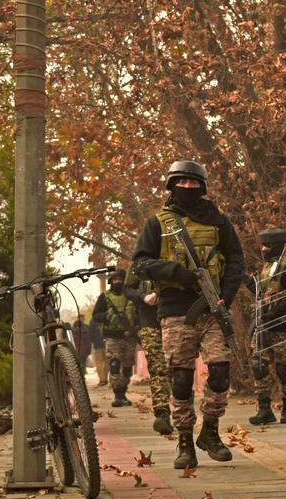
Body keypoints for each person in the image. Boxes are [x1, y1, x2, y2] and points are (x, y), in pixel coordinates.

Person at [133, 160, 245, 470]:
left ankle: (210, 430)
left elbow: (236, 260)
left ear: (203, 187)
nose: (187, 187)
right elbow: (140, 264)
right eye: (180, 182)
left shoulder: (219, 222)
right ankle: (185, 440)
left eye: (193, 183)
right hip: (175, 309)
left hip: (213, 308)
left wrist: (227, 295)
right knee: (180, 378)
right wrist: (177, 273)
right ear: (171, 186)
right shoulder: (158, 223)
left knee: (221, 370)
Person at [248, 228, 286, 426]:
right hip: (264, 326)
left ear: (278, 246)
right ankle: (264, 409)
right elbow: (262, 293)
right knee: (259, 365)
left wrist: (273, 313)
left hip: (282, 326)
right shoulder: (267, 267)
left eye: (267, 246)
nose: (263, 249)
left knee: (282, 368)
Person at [123, 263, 173, 435]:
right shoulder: (139, 261)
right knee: (158, 367)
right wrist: (144, 297)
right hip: (149, 321)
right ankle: (162, 414)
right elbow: (127, 289)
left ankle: (184, 416)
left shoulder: (178, 250)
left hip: (176, 317)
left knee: (179, 368)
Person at [92, 269, 139, 407]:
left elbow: (139, 314)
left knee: (127, 368)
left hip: (129, 337)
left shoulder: (131, 296)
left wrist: (135, 329)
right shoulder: (104, 297)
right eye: (115, 279)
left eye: (120, 279)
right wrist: (107, 316)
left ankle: (123, 392)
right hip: (112, 337)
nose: (118, 282)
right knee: (114, 363)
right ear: (111, 281)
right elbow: (96, 316)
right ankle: (117, 395)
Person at [89, 314, 108, 385]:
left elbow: (90, 332)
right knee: (107, 362)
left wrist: (93, 341)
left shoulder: (93, 320)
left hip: (97, 345)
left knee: (99, 363)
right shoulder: (106, 317)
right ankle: (105, 378)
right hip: (106, 343)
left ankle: (102, 379)